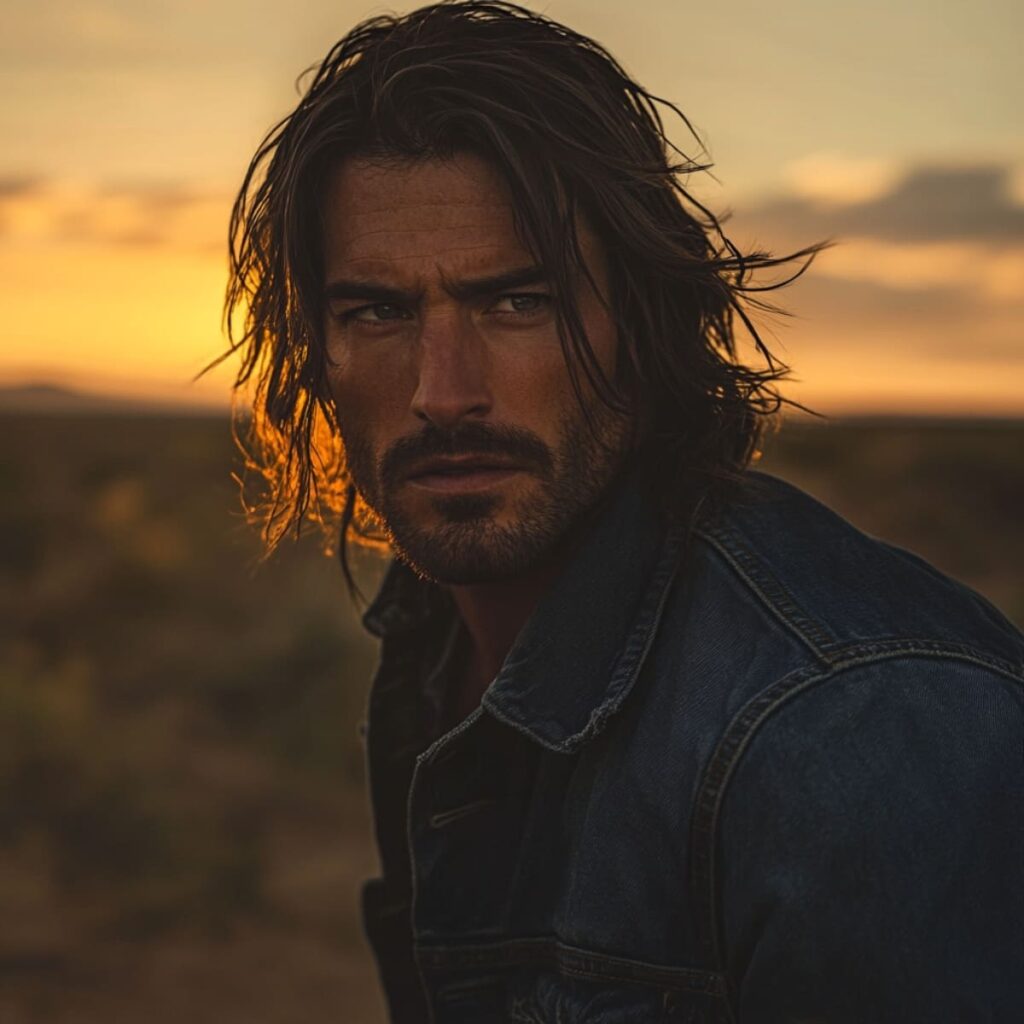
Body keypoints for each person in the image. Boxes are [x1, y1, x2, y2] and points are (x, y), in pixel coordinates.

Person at [223, 3, 1023, 1020]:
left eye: (520, 301)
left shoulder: (853, 736)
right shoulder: (434, 639)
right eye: (376, 310)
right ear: (318, 352)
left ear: (647, 326)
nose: (443, 389)